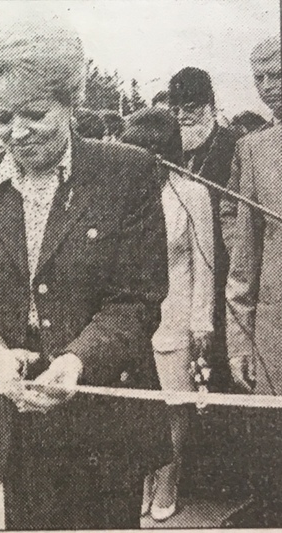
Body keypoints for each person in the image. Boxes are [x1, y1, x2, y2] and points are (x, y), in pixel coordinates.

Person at [0, 13, 170, 529]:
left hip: (105, 423)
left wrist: (77, 361)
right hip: (19, 424)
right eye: (3, 116)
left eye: (34, 113)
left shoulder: (126, 171)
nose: (17, 132)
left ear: (70, 102)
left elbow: (136, 299)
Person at [121, 108, 215, 521]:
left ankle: (168, 483)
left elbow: (205, 264)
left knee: (174, 407)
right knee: (139, 407)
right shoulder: (121, 194)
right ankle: (143, 480)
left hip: (176, 317)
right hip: (130, 321)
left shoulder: (192, 193)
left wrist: (201, 321)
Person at [168, 65, 242, 498]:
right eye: (177, 109)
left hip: (227, 274)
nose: (183, 117)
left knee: (223, 371)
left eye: (192, 108)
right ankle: (194, 471)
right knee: (191, 376)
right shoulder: (175, 149)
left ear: (212, 107)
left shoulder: (232, 146)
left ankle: (226, 476)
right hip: (190, 277)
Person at [222, 35, 282, 528]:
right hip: (274, 328)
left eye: (277, 74)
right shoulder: (254, 149)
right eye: (259, 77)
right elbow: (244, 259)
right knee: (271, 429)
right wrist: (241, 340)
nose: (267, 86)